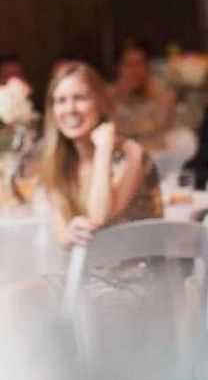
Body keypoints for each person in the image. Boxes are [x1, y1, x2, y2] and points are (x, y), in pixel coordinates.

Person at [40, 61, 162, 249]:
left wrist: (104, 149)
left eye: (80, 98)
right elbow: (62, 236)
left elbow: (99, 217)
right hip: (91, 272)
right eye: (61, 101)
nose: (70, 109)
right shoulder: (61, 161)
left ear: (101, 103)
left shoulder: (132, 154)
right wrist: (70, 233)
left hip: (141, 275)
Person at [111, 39, 177, 150]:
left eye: (139, 64)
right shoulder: (106, 98)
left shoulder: (164, 97)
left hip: (158, 157)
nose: (134, 70)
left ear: (147, 67)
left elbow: (166, 138)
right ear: (118, 68)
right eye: (127, 64)